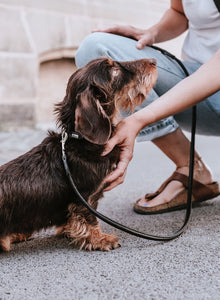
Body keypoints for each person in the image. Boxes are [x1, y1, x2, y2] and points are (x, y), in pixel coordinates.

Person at [75, 0, 220, 214]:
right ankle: (191, 167)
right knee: (96, 47)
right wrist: (150, 33)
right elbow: (179, 12)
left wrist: (141, 118)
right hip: (195, 82)